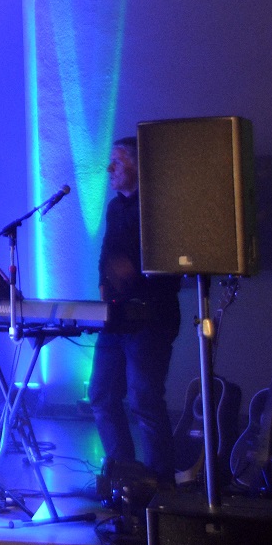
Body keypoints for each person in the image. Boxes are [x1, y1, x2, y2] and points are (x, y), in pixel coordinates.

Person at [88, 136, 182, 483]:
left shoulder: (158, 209)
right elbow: (106, 250)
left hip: (151, 318)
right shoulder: (115, 208)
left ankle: (160, 481)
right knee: (101, 394)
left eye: (119, 160)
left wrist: (135, 273)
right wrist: (104, 281)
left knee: (145, 400)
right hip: (116, 317)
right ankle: (124, 476)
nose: (111, 168)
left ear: (138, 166)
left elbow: (170, 268)